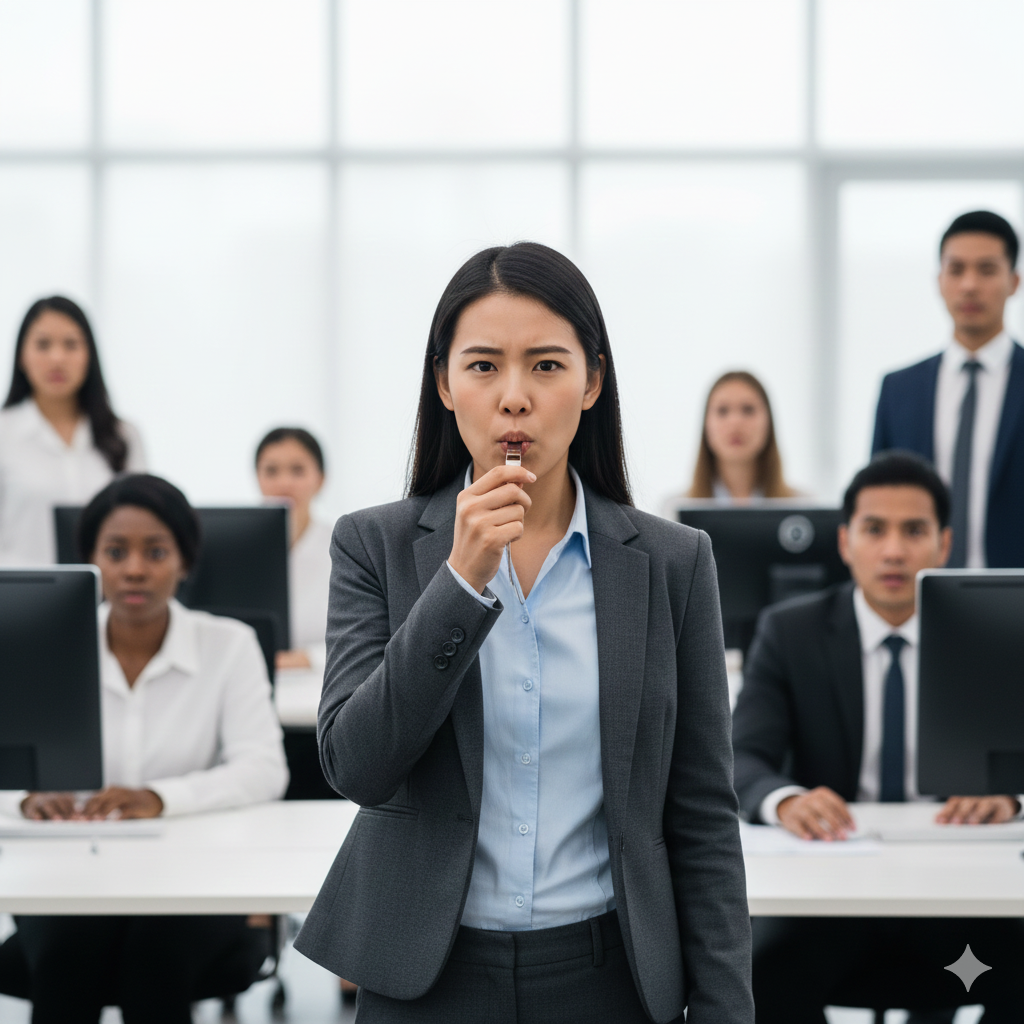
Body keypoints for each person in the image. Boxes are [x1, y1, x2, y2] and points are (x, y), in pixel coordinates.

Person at [293, 242, 753, 1024]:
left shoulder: (675, 563)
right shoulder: (372, 545)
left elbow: (702, 814)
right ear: (443, 383)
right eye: (482, 367)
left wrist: (723, 1009)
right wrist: (460, 583)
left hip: (608, 978)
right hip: (427, 981)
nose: (514, 397)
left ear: (592, 382)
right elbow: (357, 766)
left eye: (545, 365)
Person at [732, 451, 1024, 1024]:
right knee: (759, 973)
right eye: (875, 529)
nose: (893, 550)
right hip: (829, 909)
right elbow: (742, 756)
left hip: (962, 910)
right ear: (844, 542)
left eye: (914, 531)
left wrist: (1010, 792)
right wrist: (786, 799)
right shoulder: (790, 631)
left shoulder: (992, 630)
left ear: (944, 544)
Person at [0, 473, 289, 1023]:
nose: (134, 568)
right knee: (66, 961)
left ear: (185, 561)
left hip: (192, 876)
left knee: (153, 965)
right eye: (116, 551)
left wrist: (160, 797)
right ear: (90, 559)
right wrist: (25, 798)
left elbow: (263, 769)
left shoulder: (228, 644)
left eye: (155, 551)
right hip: (70, 875)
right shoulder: (41, 643)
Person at [872, 210, 1024, 568]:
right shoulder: (898, 390)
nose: (969, 285)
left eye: (986, 270)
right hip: (916, 594)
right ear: (939, 280)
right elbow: (878, 501)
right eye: (956, 270)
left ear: (1014, 281)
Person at [0, 296, 146, 565]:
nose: (57, 358)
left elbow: (143, 526)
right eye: (43, 345)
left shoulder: (123, 436)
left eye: (71, 344)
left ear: (89, 354)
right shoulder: (4, 435)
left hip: (105, 598)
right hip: (17, 596)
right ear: (22, 355)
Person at [255, 426, 332, 674]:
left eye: (297, 471)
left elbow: (371, 639)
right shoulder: (237, 553)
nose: (284, 483)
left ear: (320, 479)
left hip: (320, 686)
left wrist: (309, 658)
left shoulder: (345, 547)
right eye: (271, 471)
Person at [686, 370, 798, 502]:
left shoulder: (802, 507)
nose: (735, 422)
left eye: (748, 409)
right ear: (706, 423)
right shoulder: (674, 512)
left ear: (768, 422)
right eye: (723, 411)